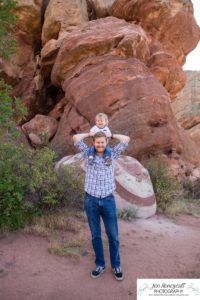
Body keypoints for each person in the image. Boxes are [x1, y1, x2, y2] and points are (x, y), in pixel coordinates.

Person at [73, 130, 130, 281]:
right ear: (94, 143)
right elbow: (76, 138)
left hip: (108, 200)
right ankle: (100, 265)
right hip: (90, 200)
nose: (100, 144)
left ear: (106, 143)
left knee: (113, 236)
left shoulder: (113, 154)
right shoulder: (87, 153)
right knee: (96, 236)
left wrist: (110, 135)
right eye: (97, 142)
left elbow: (126, 139)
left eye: (102, 142)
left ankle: (116, 265)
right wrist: (90, 133)